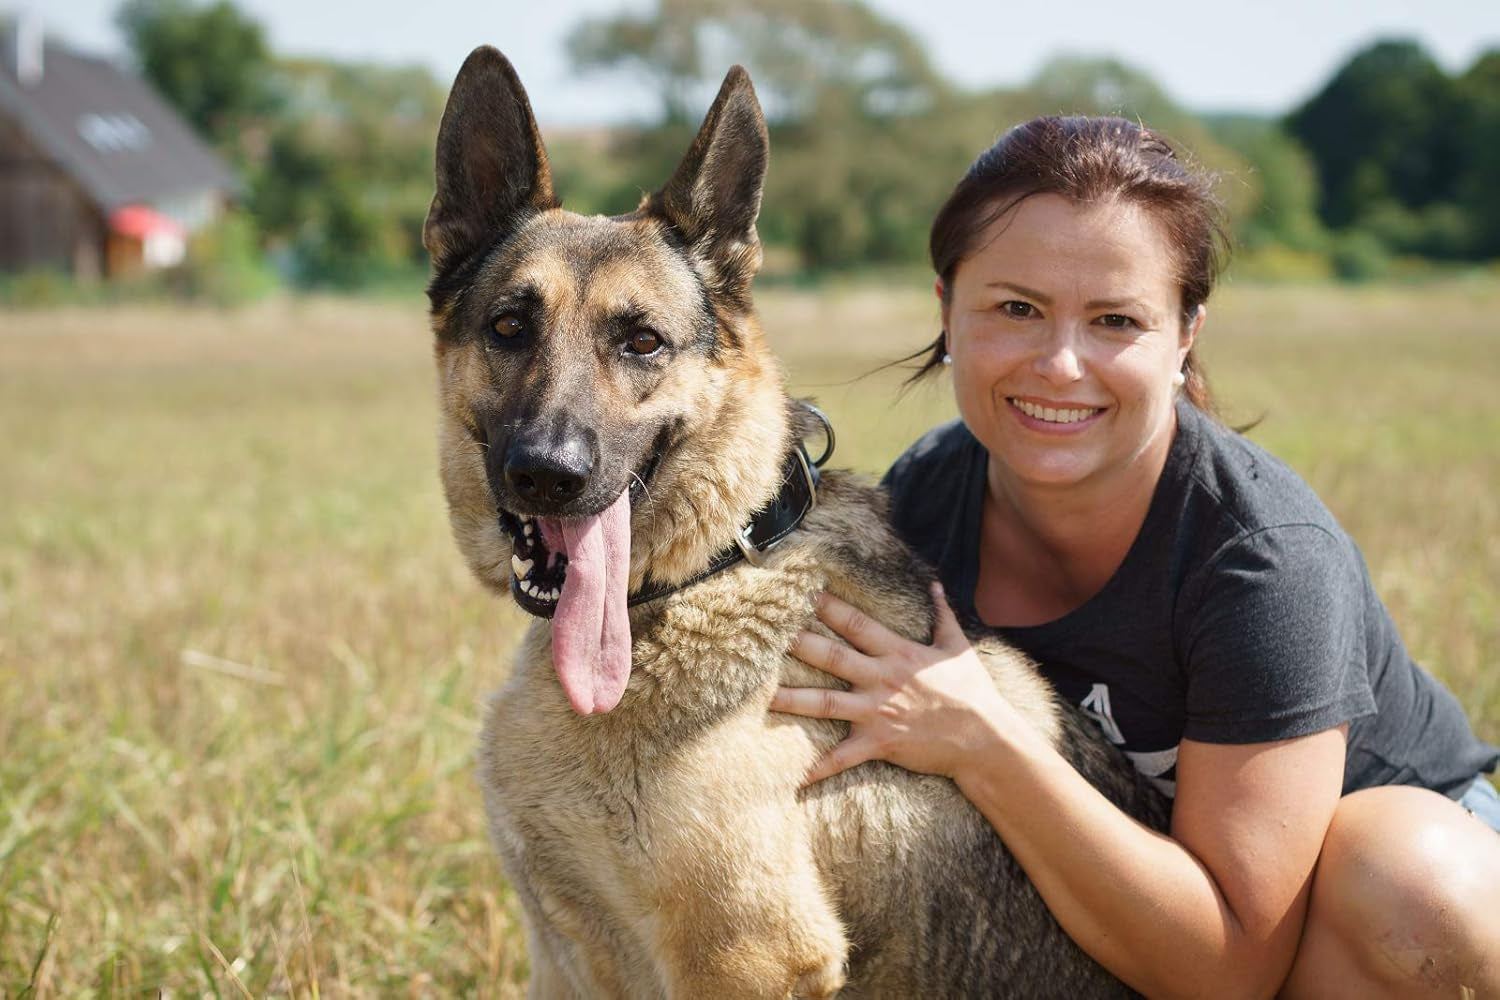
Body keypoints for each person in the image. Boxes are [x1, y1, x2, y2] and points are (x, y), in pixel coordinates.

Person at [770, 115, 1500, 999]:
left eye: (1116, 320)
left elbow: (1229, 967)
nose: (1061, 364)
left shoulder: (1262, 560)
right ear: (947, 309)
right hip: (1134, 904)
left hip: (1346, 926)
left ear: (1185, 333)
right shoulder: (925, 496)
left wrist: (984, 742)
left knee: (1412, 880)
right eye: (1016, 309)